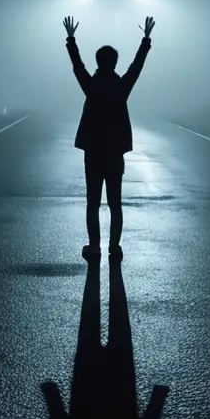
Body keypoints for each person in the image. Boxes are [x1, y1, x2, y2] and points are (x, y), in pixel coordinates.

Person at [63, 14, 155, 261]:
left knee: (92, 202)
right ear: (114, 63)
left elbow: (77, 66)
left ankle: (94, 246)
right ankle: (115, 246)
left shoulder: (91, 87)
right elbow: (137, 65)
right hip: (115, 153)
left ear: (98, 62)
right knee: (115, 202)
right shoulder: (121, 87)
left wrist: (71, 40)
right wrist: (145, 39)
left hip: (93, 152)